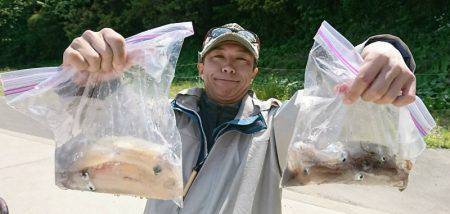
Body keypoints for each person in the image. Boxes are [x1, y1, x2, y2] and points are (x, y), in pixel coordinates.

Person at [63, 23, 417, 213]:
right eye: (218, 57)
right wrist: (86, 77)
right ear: (201, 67)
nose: (228, 65)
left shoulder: (274, 127)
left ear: (254, 73)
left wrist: (383, 50)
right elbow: (98, 125)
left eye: (241, 59)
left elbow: (331, 93)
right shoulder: (163, 119)